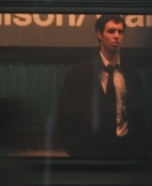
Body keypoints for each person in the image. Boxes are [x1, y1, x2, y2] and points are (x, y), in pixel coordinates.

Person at [58, 15, 147, 159]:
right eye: (111, 31)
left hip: (125, 154)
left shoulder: (131, 75)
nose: (117, 36)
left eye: (120, 31)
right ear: (99, 34)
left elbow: (140, 118)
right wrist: (78, 154)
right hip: (89, 156)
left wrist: (137, 152)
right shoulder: (78, 75)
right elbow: (65, 120)